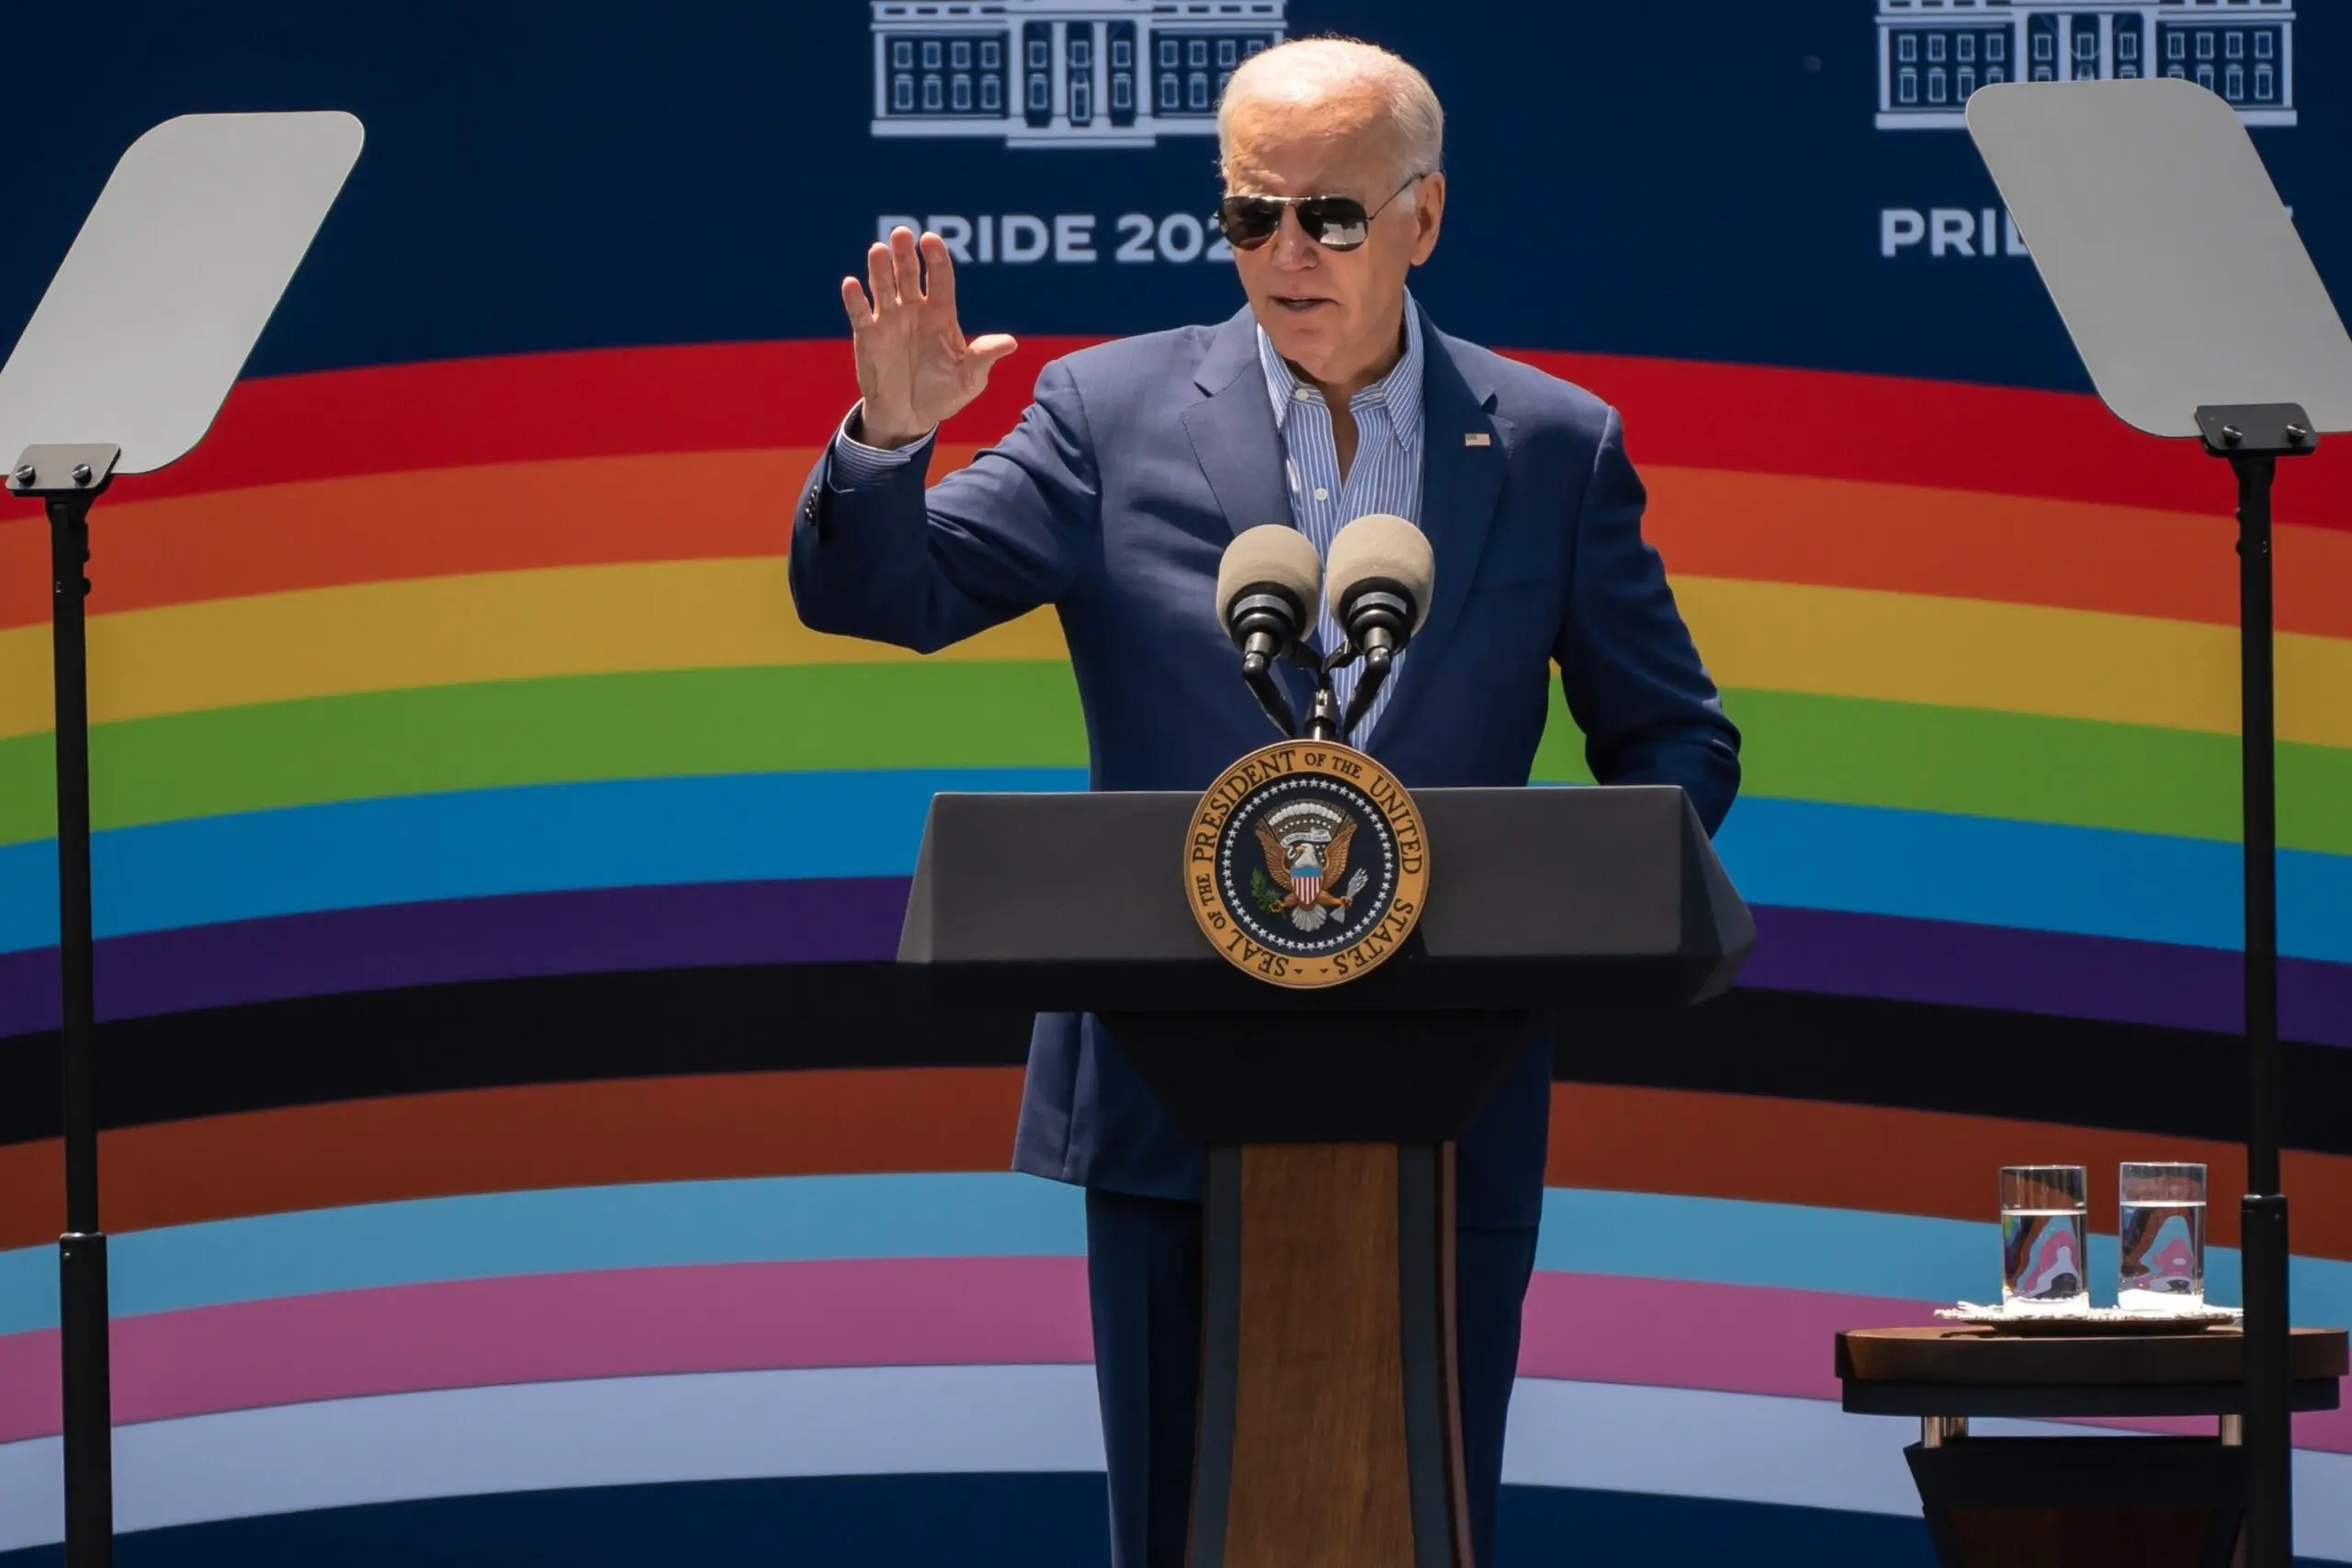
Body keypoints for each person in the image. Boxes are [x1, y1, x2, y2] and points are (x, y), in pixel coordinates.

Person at [791, 35, 1739, 1567]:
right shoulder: (1106, 414)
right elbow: (884, 592)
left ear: (1424, 218)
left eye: (1332, 218)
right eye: (1251, 217)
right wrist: (893, 441)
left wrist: (1589, 894)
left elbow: (1677, 741)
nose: (1286, 253)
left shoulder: (1552, 445)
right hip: (1174, 1106)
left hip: (1453, 1101)